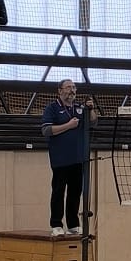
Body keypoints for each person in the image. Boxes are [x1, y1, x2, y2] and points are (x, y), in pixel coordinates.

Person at [41, 78, 89, 235]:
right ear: (60, 91)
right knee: (58, 192)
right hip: (60, 160)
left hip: (78, 159)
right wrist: (68, 126)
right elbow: (46, 130)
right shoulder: (52, 108)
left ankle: (73, 224)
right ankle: (56, 224)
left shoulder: (80, 108)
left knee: (75, 192)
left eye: (74, 87)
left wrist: (91, 109)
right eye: (68, 87)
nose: (72, 90)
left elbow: (94, 122)